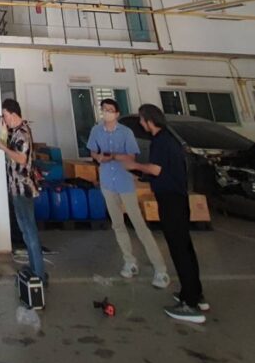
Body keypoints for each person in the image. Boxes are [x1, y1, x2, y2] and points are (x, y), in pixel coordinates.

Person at [123, 104, 208, 324]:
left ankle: (189, 305)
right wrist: (141, 173)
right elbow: (162, 171)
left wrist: (134, 165)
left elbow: (156, 169)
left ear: (150, 120)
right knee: (185, 248)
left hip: (171, 201)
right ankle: (194, 293)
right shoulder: (170, 139)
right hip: (177, 198)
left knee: (179, 250)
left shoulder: (161, 141)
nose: (141, 124)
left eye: (142, 120)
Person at [87, 98, 169, 288]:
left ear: (116, 114)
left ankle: (160, 268)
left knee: (139, 225)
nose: (107, 112)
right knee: (117, 224)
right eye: (104, 109)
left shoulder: (126, 132)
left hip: (124, 182)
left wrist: (114, 156)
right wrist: (99, 157)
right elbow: (92, 151)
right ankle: (130, 261)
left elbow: (131, 156)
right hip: (107, 182)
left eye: (110, 110)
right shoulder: (96, 131)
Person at [0, 98, 46, 284]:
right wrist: (2, 128)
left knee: (29, 231)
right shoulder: (16, 131)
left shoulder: (22, 133)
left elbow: (22, 159)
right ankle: (34, 269)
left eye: (6, 116)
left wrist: (4, 148)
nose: (5, 119)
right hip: (16, 188)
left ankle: (38, 274)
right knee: (25, 231)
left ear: (13, 114)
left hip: (23, 189)